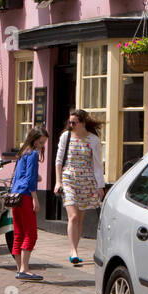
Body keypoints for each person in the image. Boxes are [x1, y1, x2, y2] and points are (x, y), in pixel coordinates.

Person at [55, 109, 104, 266]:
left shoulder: (93, 140)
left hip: (86, 181)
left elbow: (97, 165)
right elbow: (58, 160)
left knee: (80, 219)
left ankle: (75, 248)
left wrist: (100, 186)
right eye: (69, 122)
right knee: (73, 217)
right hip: (69, 178)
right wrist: (58, 182)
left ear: (82, 123)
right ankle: (73, 251)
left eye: (74, 123)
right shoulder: (66, 137)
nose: (71, 125)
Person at [11, 126, 48, 280]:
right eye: (40, 142)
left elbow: (21, 175)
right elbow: (30, 180)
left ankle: (19, 268)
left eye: (43, 143)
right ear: (34, 140)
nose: (41, 146)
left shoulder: (22, 153)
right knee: (31, 234)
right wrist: (35, 199)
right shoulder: (32, 154)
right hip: (25, 196)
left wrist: (36, 177)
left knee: (18, 233)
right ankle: (25, 269)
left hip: (15, 196)